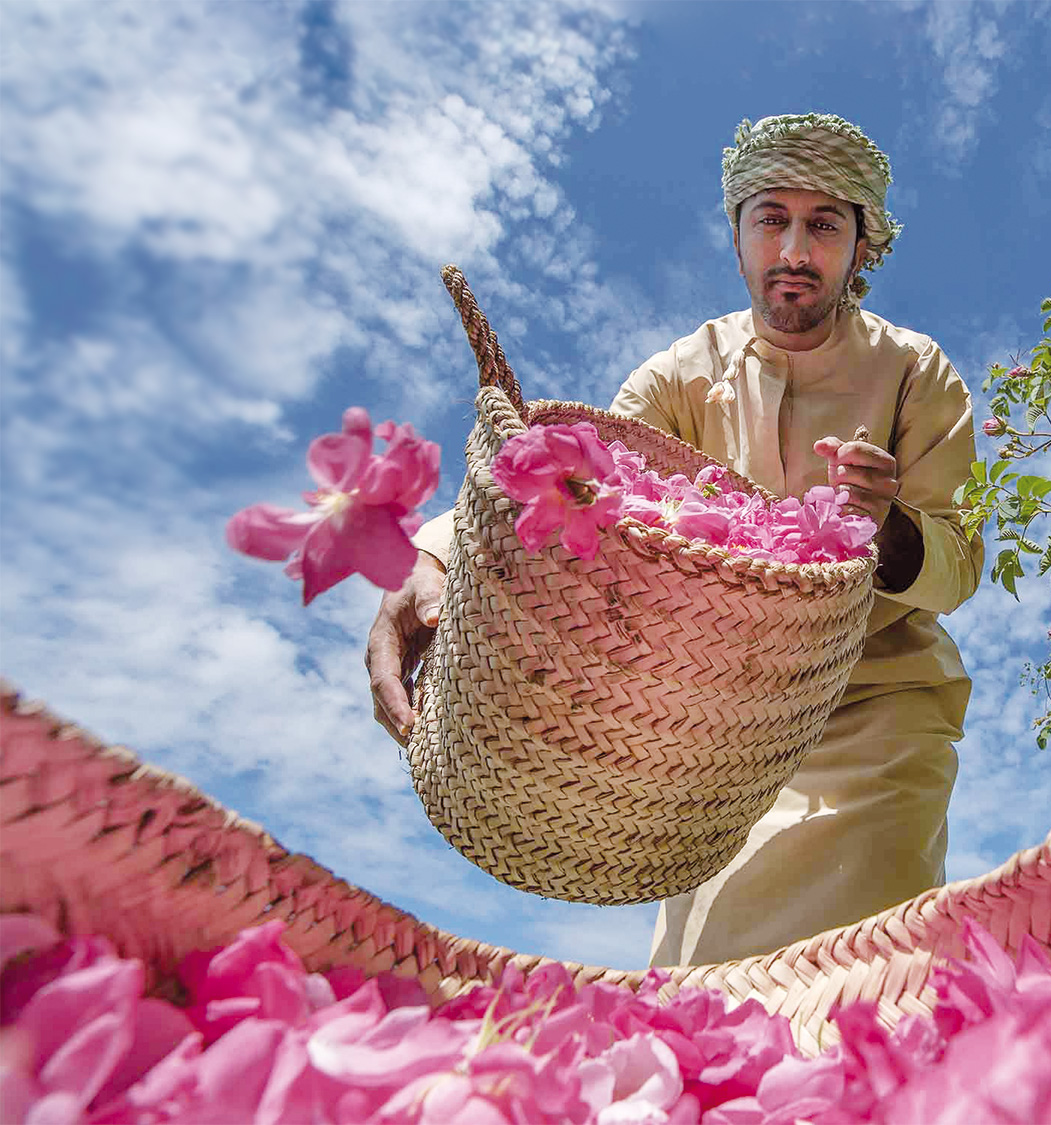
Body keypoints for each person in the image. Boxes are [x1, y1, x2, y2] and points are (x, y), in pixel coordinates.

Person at [366, 112, 984, 967]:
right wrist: (432, 555)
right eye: (772, 219)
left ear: (860, 244)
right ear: (736, 236)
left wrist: (890, 531)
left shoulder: (917, 370)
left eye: (824, 225)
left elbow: (958, 562)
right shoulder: (678, 375)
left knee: (866, 976)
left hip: (881, 712)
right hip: (715, 735)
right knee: (711, 993)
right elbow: (571, 481)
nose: (796, 251)